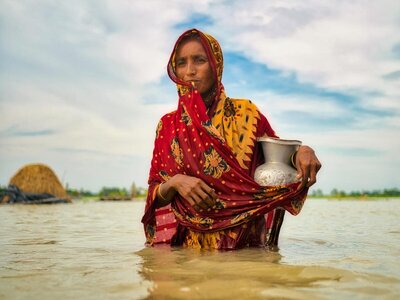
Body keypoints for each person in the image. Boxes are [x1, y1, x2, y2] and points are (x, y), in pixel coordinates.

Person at [142, 28, 321, 250]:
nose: (190, 71)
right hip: (191, 256)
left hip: (248, 248)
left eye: (199, 60)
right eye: (181, 63)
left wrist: (303, 152)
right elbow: (154, 196)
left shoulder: (246, 113)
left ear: (216, 66)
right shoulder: (168, 126)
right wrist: (176, 182)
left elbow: (279, 160)